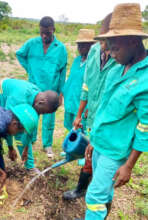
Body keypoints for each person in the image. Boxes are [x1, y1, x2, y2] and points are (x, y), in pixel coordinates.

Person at [76, 3, 148, 220]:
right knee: (104, 192)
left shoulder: (145, 80)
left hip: (115, 152)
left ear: (134, 42)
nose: (111, 54)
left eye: (115, 48)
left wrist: (129, 165)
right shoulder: (117, 69)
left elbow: (145, 128)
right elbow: (106, 111)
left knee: (95, 197)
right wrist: (93, 140)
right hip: (100, 144)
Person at [63, 13, 117, 201]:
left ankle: (95, 192)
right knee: (89, 156)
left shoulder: (122, 61)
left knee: (101, 164)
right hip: (92, 115)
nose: (103, 46)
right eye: (101, 41)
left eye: (107, 42)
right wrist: (79, 114)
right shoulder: (94, 52)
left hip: (109, 124)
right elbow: (86, 86)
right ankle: (81, 189)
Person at [0, 78, 60, 177]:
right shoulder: (19, 98)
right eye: (43, 112)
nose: (41, 114)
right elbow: (8, 125)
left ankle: (28, 167)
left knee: (17, 131)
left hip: (9, 108)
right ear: (41, 102)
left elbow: (30, 124)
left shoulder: (37, 100)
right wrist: (11, 147)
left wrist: (26, 147)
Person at [16, 16, 67, 158]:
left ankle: (47, 145)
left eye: (48, 33)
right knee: (32, 114)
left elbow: (63, 72)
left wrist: (61, 93)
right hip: (34, 88)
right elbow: (19, 54)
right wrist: (29, 69)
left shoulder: (60, 48)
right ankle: (31, 140)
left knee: (49, 117)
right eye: (42, 33)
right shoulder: (32, 43)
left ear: (53, 30)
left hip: (52, 89)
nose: (44, 36)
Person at [62, 29, 96, 132]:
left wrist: (90, 106)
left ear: (91, 46)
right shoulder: (77, 60)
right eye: (79, 45)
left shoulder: (94, 63)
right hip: (70, 101)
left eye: (84, 45)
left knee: (81, 132)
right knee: (70, 128)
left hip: (82, 104)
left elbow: (93, 86)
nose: (80, 48)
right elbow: (71, 79)